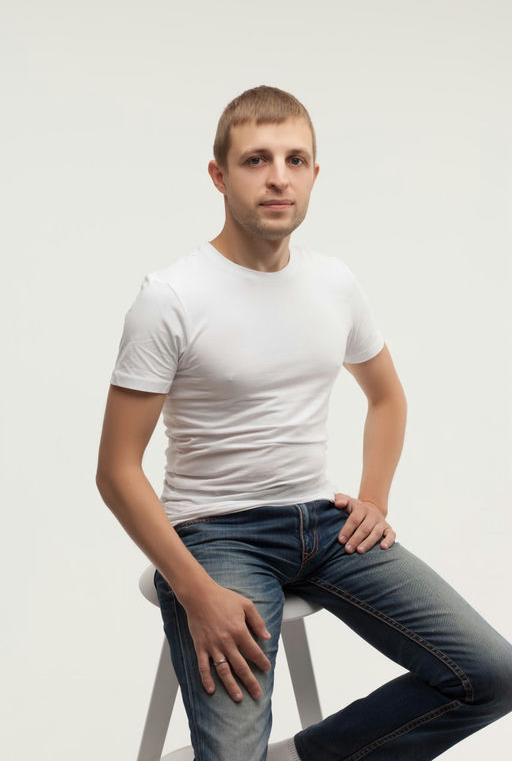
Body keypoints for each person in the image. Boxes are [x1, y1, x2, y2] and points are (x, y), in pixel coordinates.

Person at [96, 85, 512, 761]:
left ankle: (307, 755)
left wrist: (374, 498)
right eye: (256, 160)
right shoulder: (170, 298)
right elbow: (116, 471)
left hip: (324, 525)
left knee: (492, 675)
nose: (278, 178)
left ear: (315, 174)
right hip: (215, 536)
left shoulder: (334, 283)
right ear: (219, 176)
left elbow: (387, 397)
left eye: (295, 160)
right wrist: (196, 592)